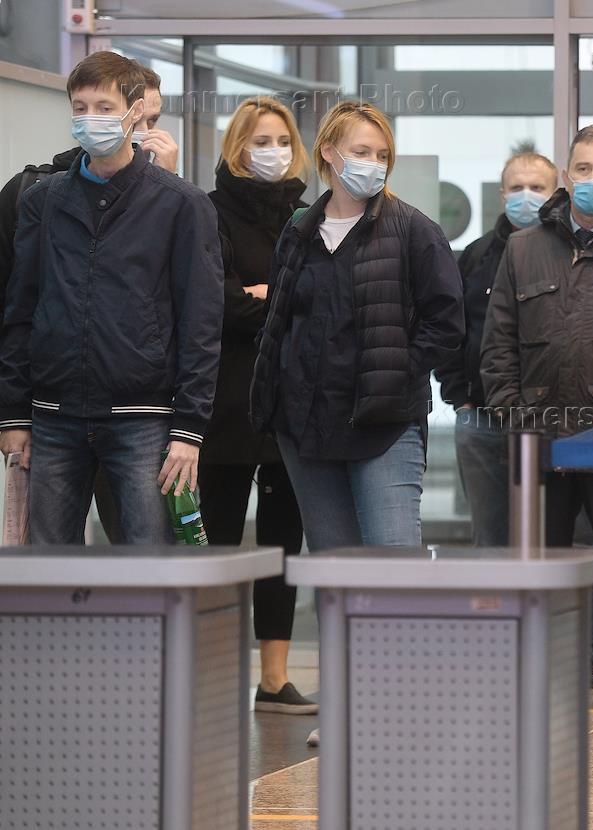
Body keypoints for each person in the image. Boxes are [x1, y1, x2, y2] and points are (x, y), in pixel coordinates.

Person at [0, 50, 223, 543]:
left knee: (151, 562)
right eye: (80, 107)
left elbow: (201, 322)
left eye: (104, 107)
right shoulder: (42, 200)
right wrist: (13, 413)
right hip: (53, 414)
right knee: (47, 565)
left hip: (142, 417)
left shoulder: (181, 203)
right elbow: (20, 309)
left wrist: (189, 430)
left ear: (136, 110)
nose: (89, 119)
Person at [249, 99, 462, 553]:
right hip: (306, 427)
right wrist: (277, 390)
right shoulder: (299, 231)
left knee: (393, 561)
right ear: (329, 152)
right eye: (362, 152)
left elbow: (446, 325)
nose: (374, 164)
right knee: (333, 568)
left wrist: (395, 372)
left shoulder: (414, 230)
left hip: (384, 425)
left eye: (382, 155)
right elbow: (278, 320)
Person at [201, 97, 314, 715]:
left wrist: (268, 297)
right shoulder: (209, 212)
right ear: (235, 146)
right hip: (222, 404)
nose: (271, 151)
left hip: (289, 404)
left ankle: (274, 679)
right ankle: (215, 675)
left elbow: (319, 302)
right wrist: (277, 301)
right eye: (258, 140)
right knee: (217, 541)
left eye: (281, 140)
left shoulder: (309, 216)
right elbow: (216, 302)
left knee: (282, 544)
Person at [480, 125, 593, 549]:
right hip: (540, 442)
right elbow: (498, 347)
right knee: (540, 570)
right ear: (567, 176)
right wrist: (518, 419)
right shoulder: (523, 248)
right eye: (583, 168)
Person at [435, 144, 558, 547]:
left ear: (555, 193)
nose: (526, 196)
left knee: (560, 541)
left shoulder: (566, 253)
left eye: (537, 187)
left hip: (556, 422)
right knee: (491, 540)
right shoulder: (476, 256)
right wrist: (460, 397)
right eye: (517, 187)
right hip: (483, 420)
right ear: (503, 194)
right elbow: (449, 329)